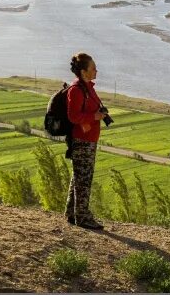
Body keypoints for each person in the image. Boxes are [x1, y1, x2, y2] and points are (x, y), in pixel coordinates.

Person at [64, 51, 107, 229]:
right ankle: (83, 217)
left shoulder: (88, 88)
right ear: (84, 71)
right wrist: (95, 116)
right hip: (82, 140)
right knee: (84, 179)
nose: (96, 71)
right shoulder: (76, 90)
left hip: (88, 139)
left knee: (78, 177)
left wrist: (99, 114)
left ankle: (72, 213)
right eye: (93, 68)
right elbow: (73, 117)